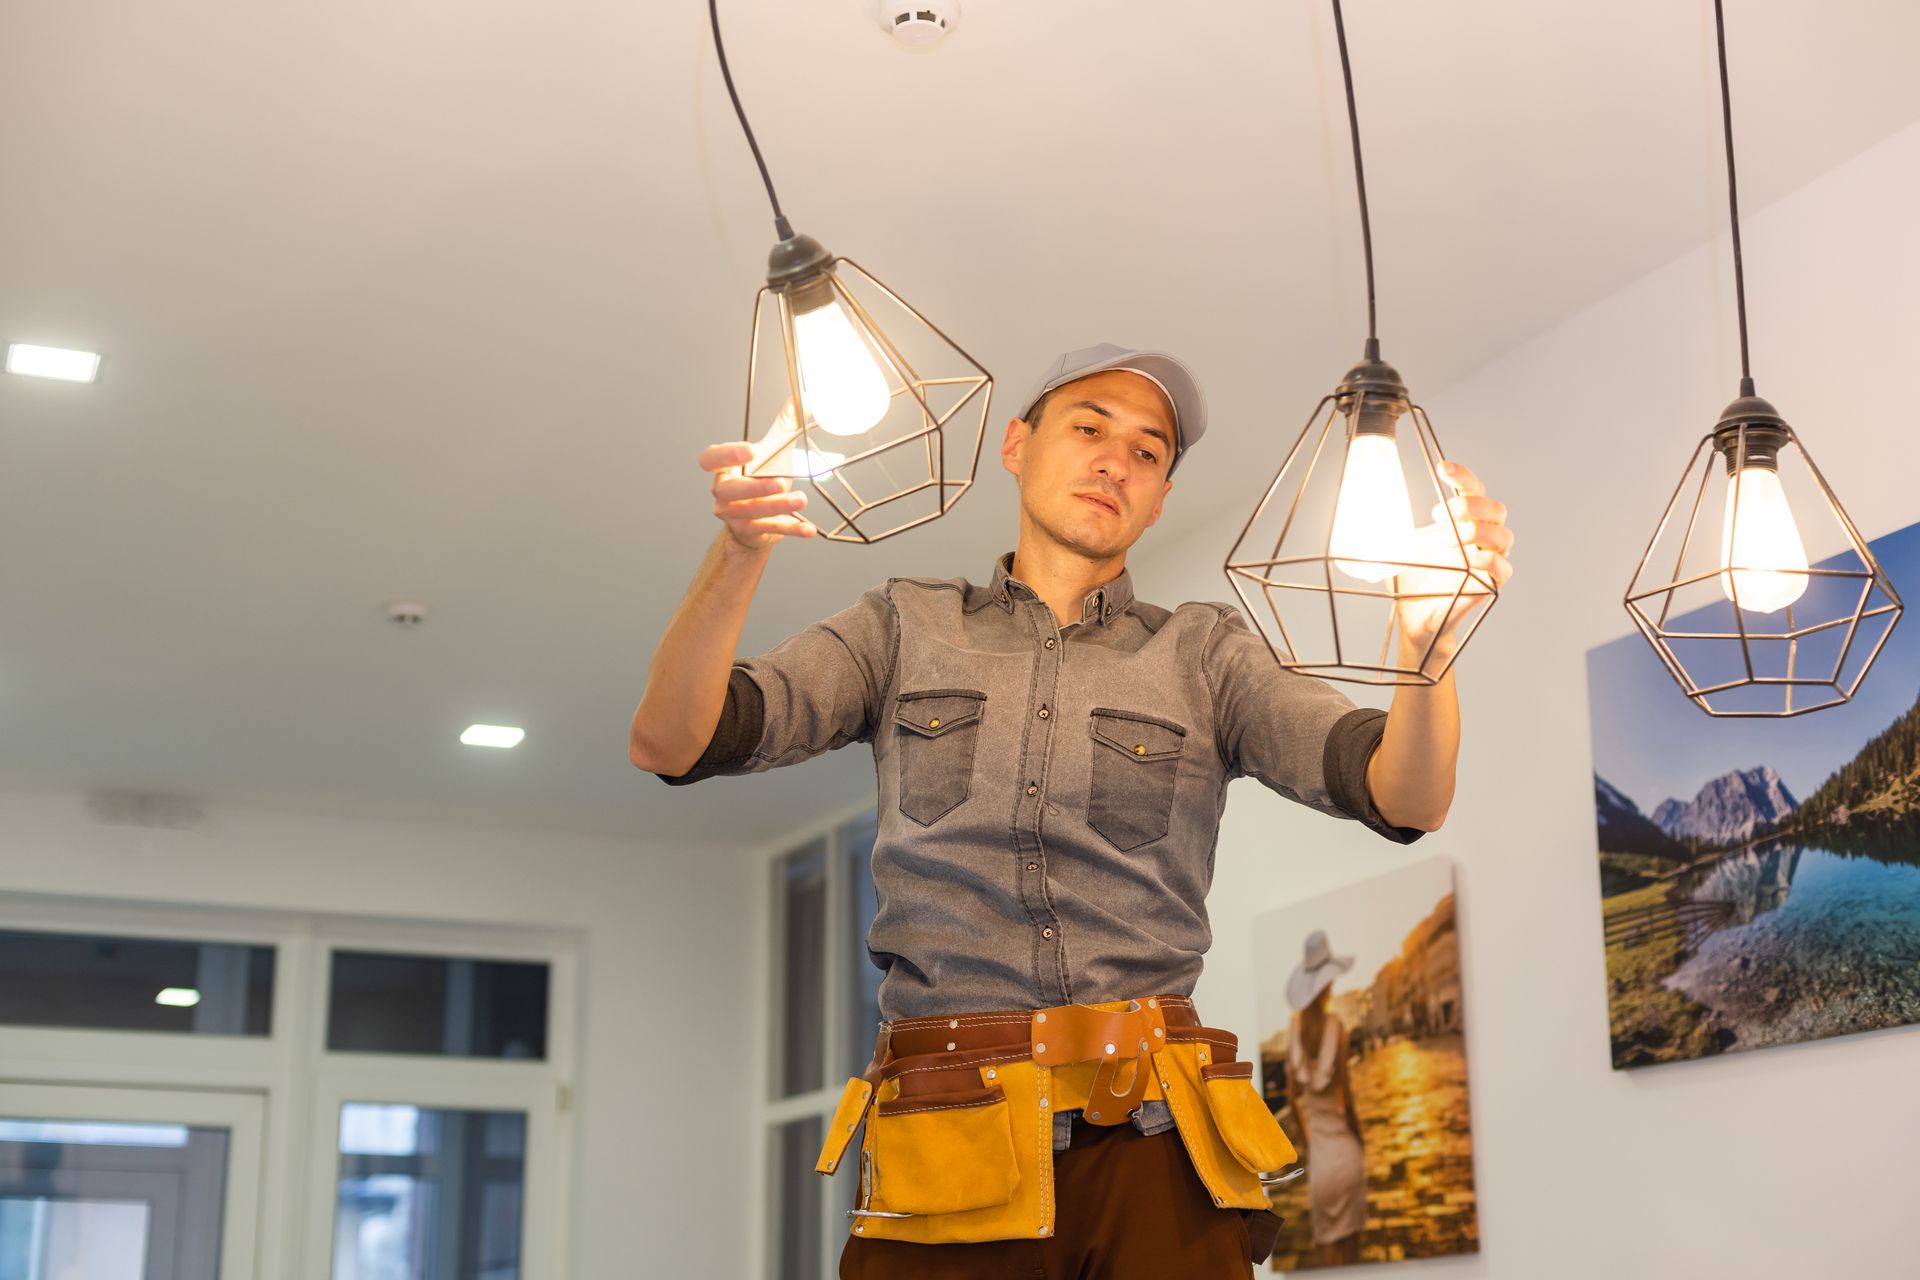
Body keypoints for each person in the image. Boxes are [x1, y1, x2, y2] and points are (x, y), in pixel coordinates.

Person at [628, 344, 1516, 1278]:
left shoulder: (1206, 654)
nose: (1114, 461)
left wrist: (1428, 644)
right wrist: (740, 552)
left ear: (1161, 498)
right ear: (1017, 445)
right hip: (947, 1137)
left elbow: (1407, 794)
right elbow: (671, 742)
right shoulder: (902, 627)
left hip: (1155, 1141)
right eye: (1090, 427)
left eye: (1147, 451)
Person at [1285, 930, 1367, 1267]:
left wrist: (1307, 1142)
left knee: (1330, 1262)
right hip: (1346, 1154)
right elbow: (1347, 1096)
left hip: (1320, 1162)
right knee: (1352, 1259)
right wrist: (1359, 1138)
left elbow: (1292, 1098)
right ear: (1328, 984)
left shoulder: (1294, 1031)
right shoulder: (1337, 1028)